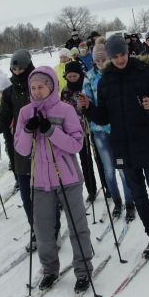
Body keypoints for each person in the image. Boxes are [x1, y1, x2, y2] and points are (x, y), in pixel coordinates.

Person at [78, 35, 149, 258]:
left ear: (128, 52)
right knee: (139, 197)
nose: (120, 60)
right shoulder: (106, 80)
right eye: (115, 56)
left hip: (147, 142)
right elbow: (104, 115)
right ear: (109, 57)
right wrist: (89, 107)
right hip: (123, 147)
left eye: (123, 55)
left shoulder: (144, 72)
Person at [14, 66, 94, 292]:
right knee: (43, 230)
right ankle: (49, 270)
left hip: (67, 178)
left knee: (78, 226)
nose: (37, 91)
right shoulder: (24, 113)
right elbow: (21, 150)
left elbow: (76, 144)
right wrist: (29, 130)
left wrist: (50, 130)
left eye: (41, 87)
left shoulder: (65, 110)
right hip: (40, 181)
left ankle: (83, 270)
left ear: (51, 87)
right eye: (33, 88)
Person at [0, 50, 37, 249]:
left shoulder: (38, 85)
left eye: (21, 68)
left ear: (29, 66)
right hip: (20, 148)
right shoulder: (10, 92)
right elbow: (4, 116)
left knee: (44, 192)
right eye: (14, 68)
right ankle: (36, 230)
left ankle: (51, 227)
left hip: (41, 145)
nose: (18, 71)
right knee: (26, 195)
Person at [82, 37, 134, 221]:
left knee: (122, 168)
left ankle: (130, 202)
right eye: (97, 60)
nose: (100, 63)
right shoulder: (89, 77)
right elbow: (86, 103)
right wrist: (84, 105)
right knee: (109, 170)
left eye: (103, 59)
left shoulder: (114, 74)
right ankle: (117, 201)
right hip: (99, 130)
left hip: (117, 128)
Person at [60, 60, 99, 202]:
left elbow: (94, 102)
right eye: (69, 77)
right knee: (85, 159)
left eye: (74, 76)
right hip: (77, 131)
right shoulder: (65, 90)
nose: (72, 79)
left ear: (80, 75)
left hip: (92, 126)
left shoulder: (86, 85)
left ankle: (107, 187)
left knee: (98, 157)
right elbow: (63, 108)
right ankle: (91, 190)